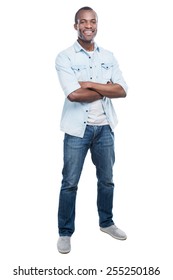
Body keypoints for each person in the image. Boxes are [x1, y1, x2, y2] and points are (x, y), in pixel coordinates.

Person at [55, 6, 128, 254]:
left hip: (105, 128)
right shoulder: (64, 57)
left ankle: (106, 223)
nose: (89, 26)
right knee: (70, 183)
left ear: (97, 24)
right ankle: (65, 232)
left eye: (93, 21)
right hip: (77, 130)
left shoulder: (108, 55)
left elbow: (122, 90)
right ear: (75, 25)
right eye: (83, 22)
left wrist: (89, 84)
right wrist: (104, 87)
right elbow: (74, 95)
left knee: (106, 181)